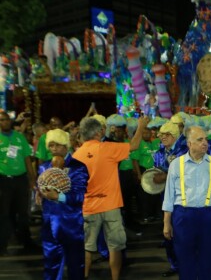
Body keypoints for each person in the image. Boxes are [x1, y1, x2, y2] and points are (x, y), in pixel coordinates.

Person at [72, 115, 149, 280]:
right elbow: (134, 145)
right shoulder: (108, 148)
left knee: (87, 248)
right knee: (115, 247)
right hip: (111, 205)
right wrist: (141, 126)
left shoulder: (76, 155)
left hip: (88, 207)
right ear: (98, 132)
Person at [162, 125, 211, 280]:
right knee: (185, 259)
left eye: (206, 139)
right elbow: (169, 196)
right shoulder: (176, 164)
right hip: (183, 215)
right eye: (200, 140)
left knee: (210, 257)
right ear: (189, 143)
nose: (205, 143)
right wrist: (167, 222)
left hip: (210, 215)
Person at [36, 129, 89, 280]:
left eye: (57, 145)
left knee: (75, 263)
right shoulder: (44, 167)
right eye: (51, 145)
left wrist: (59, 196)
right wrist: (39, 194)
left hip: (71, 223)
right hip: (49, 222)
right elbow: (40, 186)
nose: (54, 149)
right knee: (50, 263)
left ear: (66, 146)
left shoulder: (78, 167)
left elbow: (79, 196)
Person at [153, 121, 189, 277]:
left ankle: (186, 264)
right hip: (165, 198)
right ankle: (174, 264)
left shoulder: (185, 150)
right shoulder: (159, 153)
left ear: (174, 136)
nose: (162, 137)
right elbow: (157, 172)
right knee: (168, 233)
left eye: (166, 134)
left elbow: (188, 173)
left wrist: (165, 176)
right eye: (161, 135)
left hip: (183, 199)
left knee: (183, 233)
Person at [0, 111, 37, 256]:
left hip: (21, 179)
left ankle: (26, 242)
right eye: (2, 120)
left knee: (23, 212)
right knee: (4, 213)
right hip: (3, 180)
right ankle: (3, 244)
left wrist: (32, 179)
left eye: (7, 119)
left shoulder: (19, 137)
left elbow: (27, 159)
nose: (5, 122)